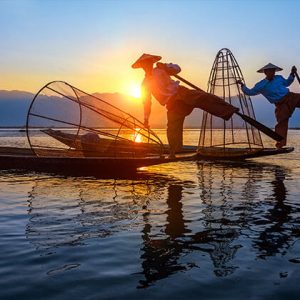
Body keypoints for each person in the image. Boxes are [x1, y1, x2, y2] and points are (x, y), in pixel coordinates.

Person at [131, 53, 239, 158]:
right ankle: (173, 152)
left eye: (149, 62)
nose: (147, 65)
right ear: (142, 66)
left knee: (205, 97)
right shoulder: (145, 84)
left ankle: (229, 110)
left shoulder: (160, 70)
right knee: (172, 128)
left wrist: (166, 66)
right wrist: (146, 119)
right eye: (145, 64)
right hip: (172, 103)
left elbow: (177, 69)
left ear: (152, 62)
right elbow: (146, 103)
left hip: (182, 93)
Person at [237, 63, 298, 149]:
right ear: (265, 72)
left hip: (291, 97)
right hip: (281, 105)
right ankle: (280, 143)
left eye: (273, 71)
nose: (272, 73)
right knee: (282, 123)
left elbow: (287, 82)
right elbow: (250, 92)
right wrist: (242, 85)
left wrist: (292, 74)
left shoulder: (279, 78)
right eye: (270, 71)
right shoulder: (261, 85)